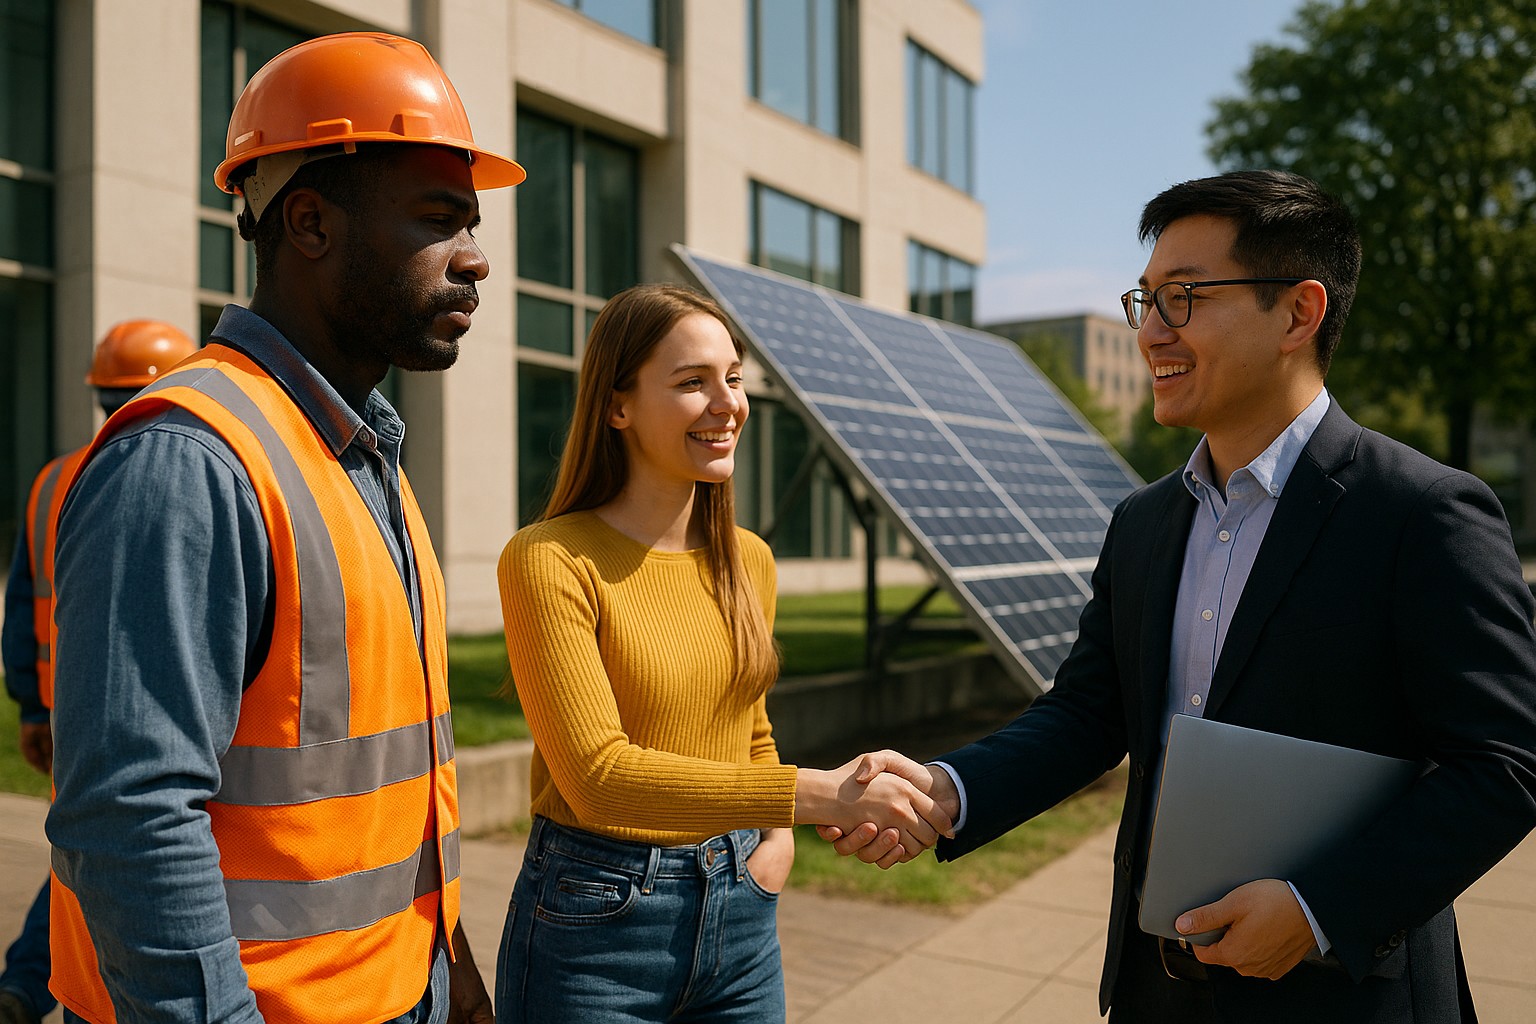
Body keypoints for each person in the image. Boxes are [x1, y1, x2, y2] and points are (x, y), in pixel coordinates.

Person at [825, 170, 1536, 1022]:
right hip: (1155, 991)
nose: (1151, 331)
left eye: (1184, 298)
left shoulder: (1422, 513)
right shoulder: (1144, 520)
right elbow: (1090, 714)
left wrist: (1317, 908)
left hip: (1344, 999)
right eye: (1146, 300)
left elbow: (1506, 764)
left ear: (1298, 314)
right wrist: (949, 791)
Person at [45, 32, 525, 1024]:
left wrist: (450, 970)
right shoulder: (191, 460)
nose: (476, 259)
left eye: (472, 226)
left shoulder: (364, 456)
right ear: (309, 223)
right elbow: (130, 818)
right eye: (438, 220)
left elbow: (390, 788)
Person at [494, 283, 954, 1022]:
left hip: (742, 913)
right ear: (617, 407)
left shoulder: (750, 560)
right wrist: (819, 796)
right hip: (595, 929)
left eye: (733, 378)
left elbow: (750, 730)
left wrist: (776, 846)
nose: (727, 404)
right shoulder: (549, 558)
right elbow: (598, 779)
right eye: (692, 382)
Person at [1, 320, 196, 1024]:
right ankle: (37, 983)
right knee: (100, 858)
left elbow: (22, 603)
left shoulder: (54, 479)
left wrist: (31, 707)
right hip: (146, 714)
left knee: (81, 850)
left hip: (67, 708)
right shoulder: (176, 475)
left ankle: (26, 984)